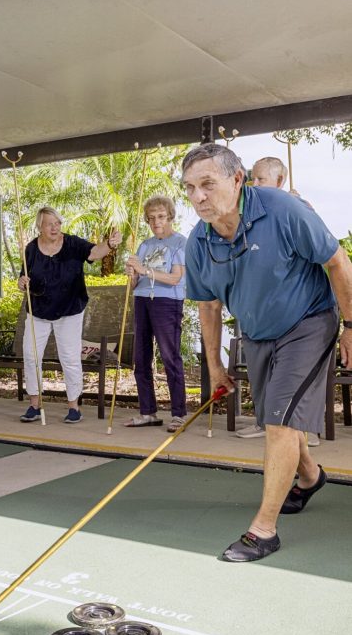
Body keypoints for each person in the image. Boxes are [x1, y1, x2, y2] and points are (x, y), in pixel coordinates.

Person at [183, 143, 352, 562]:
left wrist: (351, 327)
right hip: (258, 333)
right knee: (279, 417)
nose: (198, 197)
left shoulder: (283, 210)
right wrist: (215, 364)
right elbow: (208, 305)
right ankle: (310, 477)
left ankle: (263, 531)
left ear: (237, 178)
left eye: (207, 184)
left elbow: (337, 261)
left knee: (278, 419)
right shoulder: (198, 242)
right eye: (190, 188)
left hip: (309, 322)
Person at [237, 156, 319, 445]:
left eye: (261, 179)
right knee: (262, 377)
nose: (254, 185)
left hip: (298, 312)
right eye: (252, 179)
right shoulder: (249, 212)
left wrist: (301, 207)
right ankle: (264, 423)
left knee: (293, 378)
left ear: (280, 182)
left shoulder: (300, 209)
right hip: (261, 311)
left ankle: (304, 431)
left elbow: (323, 256)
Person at [18, 205, 121, 423]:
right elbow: (23, 278)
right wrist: (22, 282)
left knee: (70, 357)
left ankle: (74, 406)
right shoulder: (31, 249)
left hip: (69, 310)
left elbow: (94, 252)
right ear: (40, 227)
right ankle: (34, 405)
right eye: (49, 224)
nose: (55, 228)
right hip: (38, 311)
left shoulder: (73, 243)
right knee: (30, 356)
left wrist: (110, 244)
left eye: (57, 223)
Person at [124, 195, 187, 432]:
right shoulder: (145, 245)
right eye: (151, 218)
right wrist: (132, 273)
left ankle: (179, 414)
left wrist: (145, 270)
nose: (156, 221)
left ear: (170, 216)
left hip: (167, 303)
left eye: (160, 216)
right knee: (141, 359)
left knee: (170, 358)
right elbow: (134, 284)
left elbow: (175, 278)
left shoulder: (180, 243)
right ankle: (148, 412)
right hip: (142, 301)